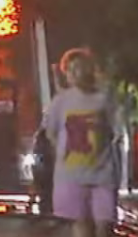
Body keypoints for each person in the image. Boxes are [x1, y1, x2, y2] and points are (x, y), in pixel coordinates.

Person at [42, 49, 121, 237]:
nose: (74, 73)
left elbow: (115, 131)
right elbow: (51, 133)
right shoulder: (61, 102)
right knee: (81, 228)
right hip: (71, 175)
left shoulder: (104, 98)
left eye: (78, 68)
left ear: (89, 69)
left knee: (104, 228)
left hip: (102, 174)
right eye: (69, 69)